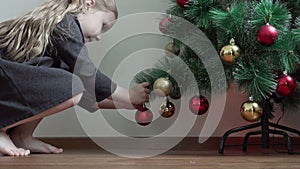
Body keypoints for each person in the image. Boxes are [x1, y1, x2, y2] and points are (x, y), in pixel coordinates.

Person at [0, 0, 150, 156]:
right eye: (103, 25)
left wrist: (125, 104)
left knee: (68, 83)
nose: (99, 37)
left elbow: (86, 96)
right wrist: (127, 94)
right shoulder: (65, 25)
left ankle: (21, 136)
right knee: (72, 83)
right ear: (88, 4)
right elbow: (88, 74)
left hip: (8, 79)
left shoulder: (60, 45)